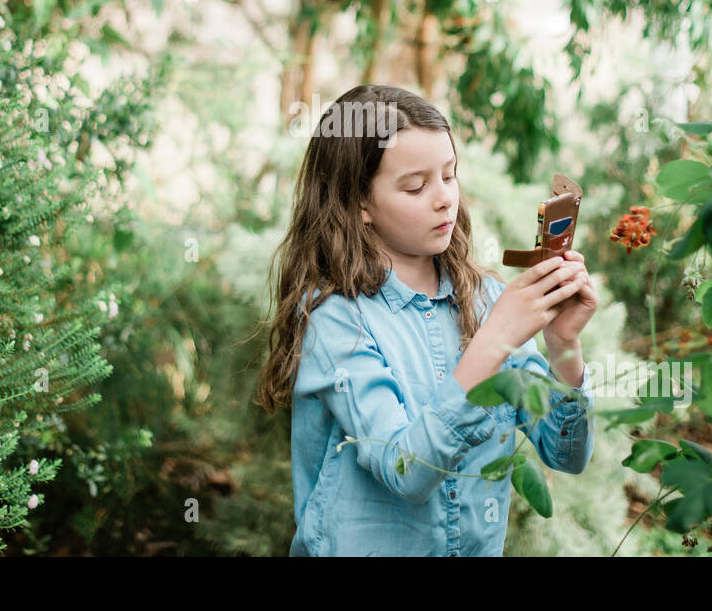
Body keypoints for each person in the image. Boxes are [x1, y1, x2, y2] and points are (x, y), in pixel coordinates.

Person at [254, 84, 600, 556]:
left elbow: (566, 454)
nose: (443, 199)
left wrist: (563, 346)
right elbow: (406, 471)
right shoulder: (334, 319)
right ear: (359, 204)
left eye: (449, 176)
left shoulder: (486, 300)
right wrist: (494, 340)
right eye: (416, 186)